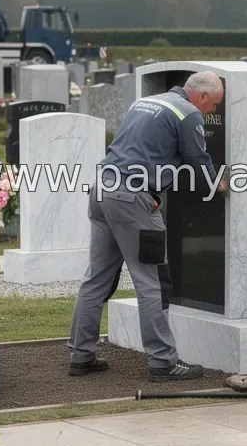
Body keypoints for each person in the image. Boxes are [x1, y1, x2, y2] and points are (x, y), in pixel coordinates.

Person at [67, 71, 224, 382]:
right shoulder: (189, 112)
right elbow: (197, 158)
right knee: (151, 279)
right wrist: (218, 184)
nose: (213, 112)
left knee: (96, 278)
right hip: (133, 198)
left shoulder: (146, 101)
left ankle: (80, 355)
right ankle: (163, 361)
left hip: (101, 189)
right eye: (214, 104)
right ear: (202, 96)